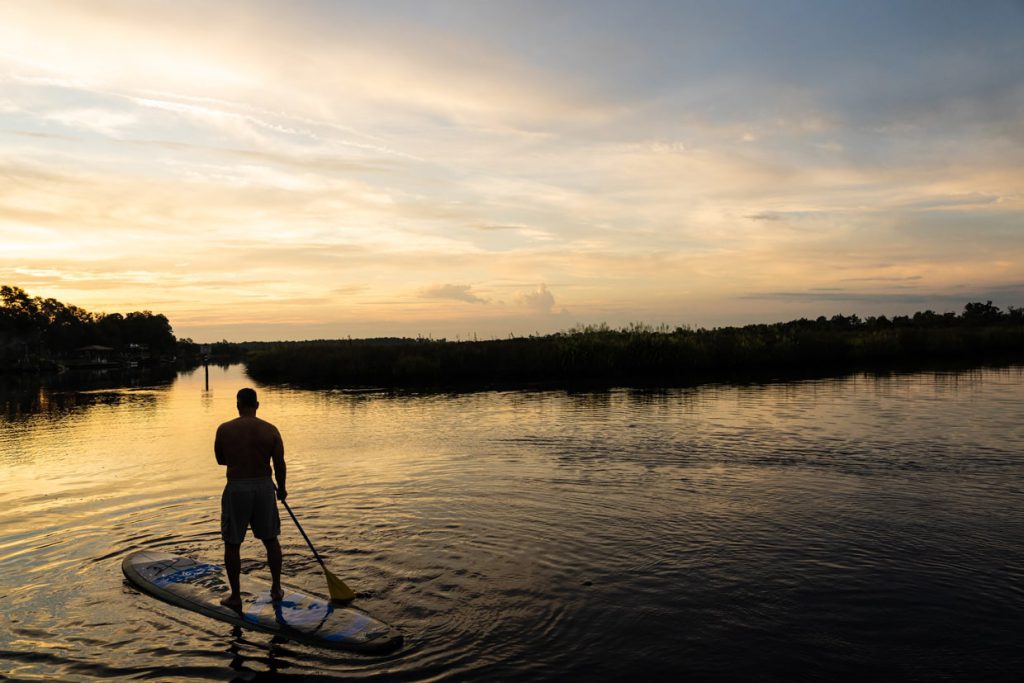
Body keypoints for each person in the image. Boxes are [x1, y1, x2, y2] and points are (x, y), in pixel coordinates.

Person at [215, 387, 287, 609]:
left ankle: (235, 596)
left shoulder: (224, 429)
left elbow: (220, 460)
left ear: (238, 405)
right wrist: (282, 489)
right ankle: (276, 588)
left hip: (237, 487)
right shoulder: (271, 430)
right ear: (257, 405)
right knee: (271, 539)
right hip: (265, 487)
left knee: (233, 542)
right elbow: (279, 464)